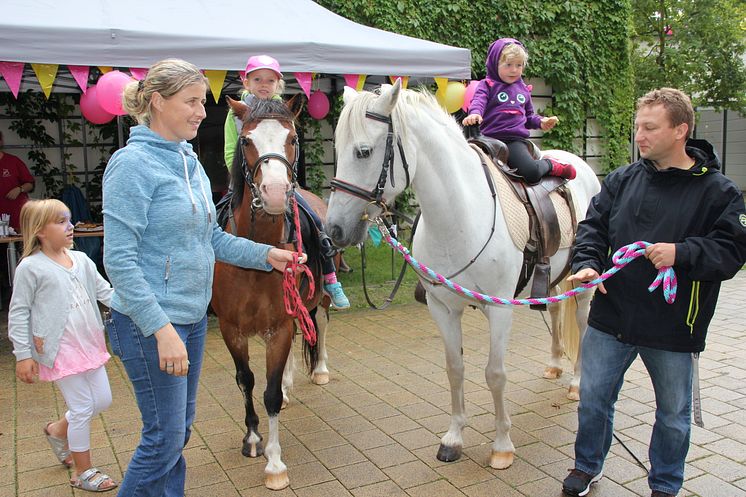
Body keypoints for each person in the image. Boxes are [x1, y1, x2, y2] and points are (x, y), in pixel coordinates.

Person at [103, 58, 304, 497]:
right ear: (157, 102)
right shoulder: (131, 165)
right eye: (192, 101)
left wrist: (268, 254)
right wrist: (162, 331)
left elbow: (210, 236)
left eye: (201, 101)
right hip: (150, 325)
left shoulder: (188, 160)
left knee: (178, 434)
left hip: (191, 320)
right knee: (162, 440)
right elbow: (118, 261)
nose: (201, 111)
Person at [563, 88, 746, 497]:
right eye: (637, 127)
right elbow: (593, 227)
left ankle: (665, 484)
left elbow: (733, 250)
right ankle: (586, 466)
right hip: (612, 316)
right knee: (592, 399)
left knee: (672, 415)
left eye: (649, 128)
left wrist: (682, 253)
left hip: (674, 324)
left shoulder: (720, 192)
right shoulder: (622, 179)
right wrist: (588, 262)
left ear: (680, 130)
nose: (639, 136)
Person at [223, 54, 350, 309]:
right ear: (246, 82)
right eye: (257, 79)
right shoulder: (236, 114)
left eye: (270, 80)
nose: (263, 84)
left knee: (315, 222)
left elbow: (291, 149)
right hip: (245, 183)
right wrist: (246, 179)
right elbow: (229, 150)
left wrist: (283, 177)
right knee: (214, 221)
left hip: (281, 182)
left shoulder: (284, 111)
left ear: (278, 84)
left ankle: (330, 277)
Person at [8, 199, 117, 492]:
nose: (70, 226)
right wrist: (23, 355)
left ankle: (58, 430)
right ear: (40, 231)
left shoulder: (80, 259)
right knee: (82, 407)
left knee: (102, 400)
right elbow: (18, 312)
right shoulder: (30, 268)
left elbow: (104, 290)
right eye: (61, 222)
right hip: (59, 349)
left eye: (69, 220)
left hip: (89, 345)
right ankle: (83, 471)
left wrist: (138, 306)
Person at [462, 38, 576, 183]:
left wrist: (541, 122)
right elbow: (478, 101)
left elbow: (528, 117)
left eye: (519, 65)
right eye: (508, 65)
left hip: (513, 142)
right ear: (494, 63)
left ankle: (551, 165)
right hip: (488, 141)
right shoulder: (487, 85)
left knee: (531, 173)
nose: (514, 70)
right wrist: (475, 113)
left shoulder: (523, 90)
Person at [0, 130, 35, 231]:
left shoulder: (13, 161)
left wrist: (19, 189)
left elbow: (30, 184)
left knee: (20, 245)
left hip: (17, 216)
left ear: (1, 141)